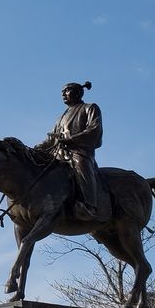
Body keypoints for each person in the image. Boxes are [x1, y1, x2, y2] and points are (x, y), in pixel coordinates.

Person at [35, 81, 109, 223]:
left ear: (77, 92)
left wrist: (72, 139)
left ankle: (89, 205)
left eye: (67, 90)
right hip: (58, 154)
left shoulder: (90, 108)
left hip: (79, 152)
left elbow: (94, 129)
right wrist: (35, 149)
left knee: (80, 164)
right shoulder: (61, 117)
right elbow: (51, 140)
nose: (63, 94)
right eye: (62, 91)